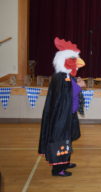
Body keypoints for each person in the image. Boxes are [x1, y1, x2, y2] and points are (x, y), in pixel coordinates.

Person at [38, 37, 86, 177]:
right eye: (73, 59)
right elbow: (66, 95)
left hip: (67, 115)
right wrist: (79, 86)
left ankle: (64, 162)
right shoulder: (60, 77)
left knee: (67, 139)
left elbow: (68, 93)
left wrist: (75, 84)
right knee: (60, 140)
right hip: (60, 117)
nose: (77, 62)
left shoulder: (65, 76)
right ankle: (58, 169)